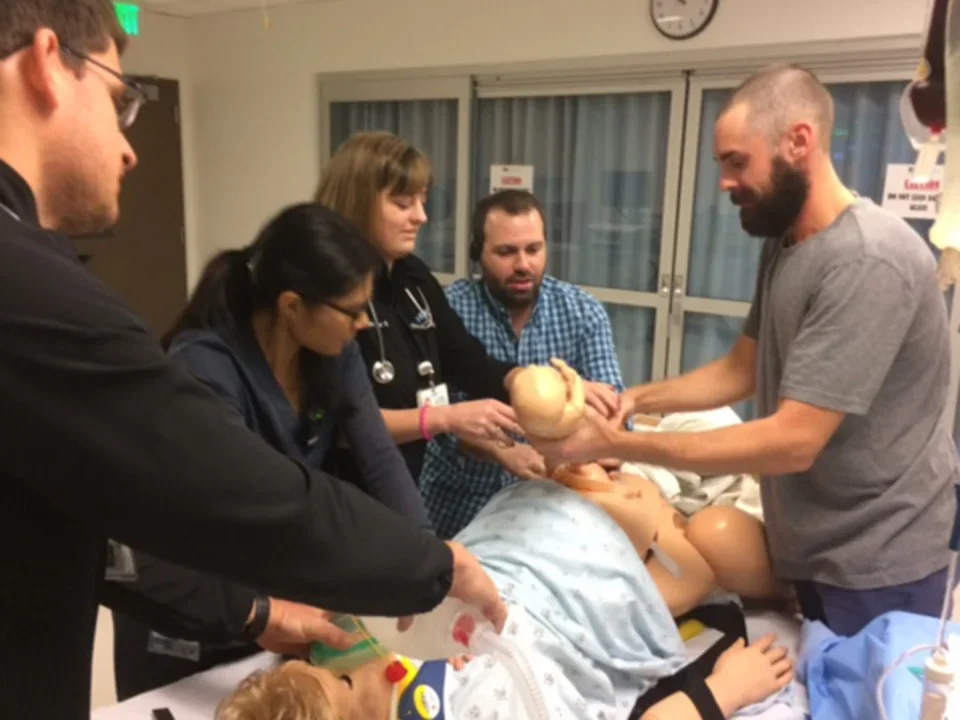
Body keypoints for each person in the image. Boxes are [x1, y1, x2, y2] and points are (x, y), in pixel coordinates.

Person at [0, 3, 503, 717]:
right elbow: (231, 495)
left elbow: (84, 523)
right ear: (50, 64)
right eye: (120, 102)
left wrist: (285, 609)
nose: (128, 147)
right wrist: (434, 567)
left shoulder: (30, 273)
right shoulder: (43, 297)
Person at [529, 63, 960, 637]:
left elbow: (793, 441)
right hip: (814, 543)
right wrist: (634, 400)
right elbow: (743, 367)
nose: (726, 183)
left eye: (738, 162)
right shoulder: (789, 243)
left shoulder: (866, 259)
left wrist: (624, 445)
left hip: (878, 561)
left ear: (798, 142)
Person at [111, 203, 441, 698]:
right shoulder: (203, 369)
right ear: (292, 306)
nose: (365, 325)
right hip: (196, 601)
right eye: (352, 311)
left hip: (273, 596)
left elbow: (380, 460)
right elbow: (237, 512)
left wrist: (429, 562)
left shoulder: (333, 353)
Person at [214, 474, 794, 720]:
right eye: (345, 682)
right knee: (701, 536)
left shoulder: (340, 642)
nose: (361, 660)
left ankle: (620, 502)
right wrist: (723, 690)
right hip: (583, 607)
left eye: (315, 663)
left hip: (514, 550)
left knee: (622, 502)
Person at [313, 131, 619, 483]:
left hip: (396, 478)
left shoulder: (412, 277)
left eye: (422, 201)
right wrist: (445, 418)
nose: (421, 217)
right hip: (340, 487)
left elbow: (466, 358)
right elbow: (338, 424)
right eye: (403, 203)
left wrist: (541, 383)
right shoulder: (326, 295)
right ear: (358, 203)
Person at [419, 189, 624, 538]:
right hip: (456, 506)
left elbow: (614, 421)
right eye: (506, 252)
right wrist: (506, 452)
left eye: (533, 249)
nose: (523, 265)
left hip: (553, 507)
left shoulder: (583, 312)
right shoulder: (447, 311)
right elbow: (435, 423)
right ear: (477, 253)